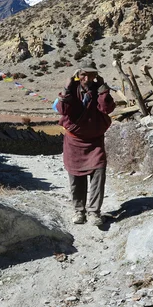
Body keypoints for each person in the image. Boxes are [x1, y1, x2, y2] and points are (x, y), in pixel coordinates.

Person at [56, 63, 116, 226]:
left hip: (95, 141)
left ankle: (94, 212)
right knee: (76, 177)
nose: (87, 78)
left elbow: (107, 109)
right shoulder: (71, 89)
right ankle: (79, 211)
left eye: (91, 75)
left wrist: (104, 91)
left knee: (99, 174)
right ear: (78, 75)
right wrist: (67, 88)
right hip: (74, 141)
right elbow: (62, 110)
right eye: (84, 75)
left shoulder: (99, 90)